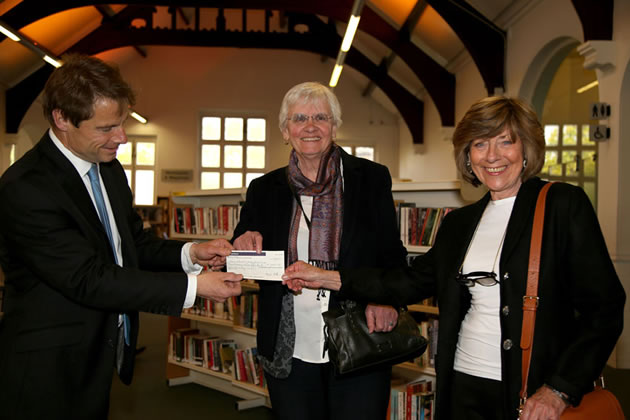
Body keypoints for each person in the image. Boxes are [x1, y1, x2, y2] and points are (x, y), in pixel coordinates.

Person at [282, 96, 626, 420]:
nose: (492, 156)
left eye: (505, 141)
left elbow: (605, 309)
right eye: (479, 144)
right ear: (468, 156)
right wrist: (327, 277)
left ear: (527, 149)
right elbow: (409, 282)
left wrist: (559, 389)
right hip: (462, 382)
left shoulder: (561, 206)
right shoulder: (460, 223)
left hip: (532, 390)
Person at [0, 54, 243, 419]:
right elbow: (89, 278)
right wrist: (194, 288)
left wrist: (192, 253)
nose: (122, 138)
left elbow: (131, 244)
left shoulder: (108, 170)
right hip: (47, 367)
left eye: (122, 123)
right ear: (62, 119)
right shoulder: (27, 189)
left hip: (99, 353)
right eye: (106, 128)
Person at [231, 81, 407, 419]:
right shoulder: (264, 188)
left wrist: (386, 299)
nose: (310, 127)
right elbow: (245, 239)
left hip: (359, 334)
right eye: (299, 119)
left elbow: (391, 252)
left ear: (335, 127)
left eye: (320, 118)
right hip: (289, 340)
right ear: (285, 131)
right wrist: (243, 240)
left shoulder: (370, 179)